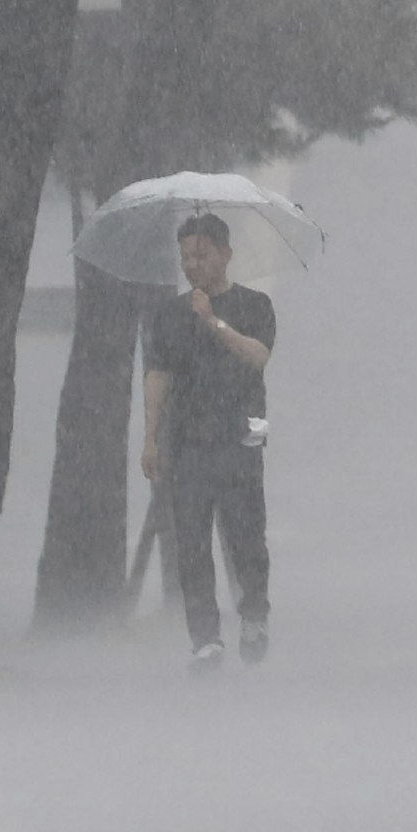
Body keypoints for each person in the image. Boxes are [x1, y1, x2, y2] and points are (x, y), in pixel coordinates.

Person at [141, 213, 274, 669]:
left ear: (225, 254)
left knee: (246, 536)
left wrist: (214, 321)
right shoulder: (168, 316)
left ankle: (255, 615)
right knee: (192, 544)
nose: (192, 264)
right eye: (185, 257)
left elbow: (258, 356)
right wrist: (151, 437)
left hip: (240, 439)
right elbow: (157, 374)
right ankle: (205, 637)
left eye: (201, 254)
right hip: (188, 444)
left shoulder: (255, 305)